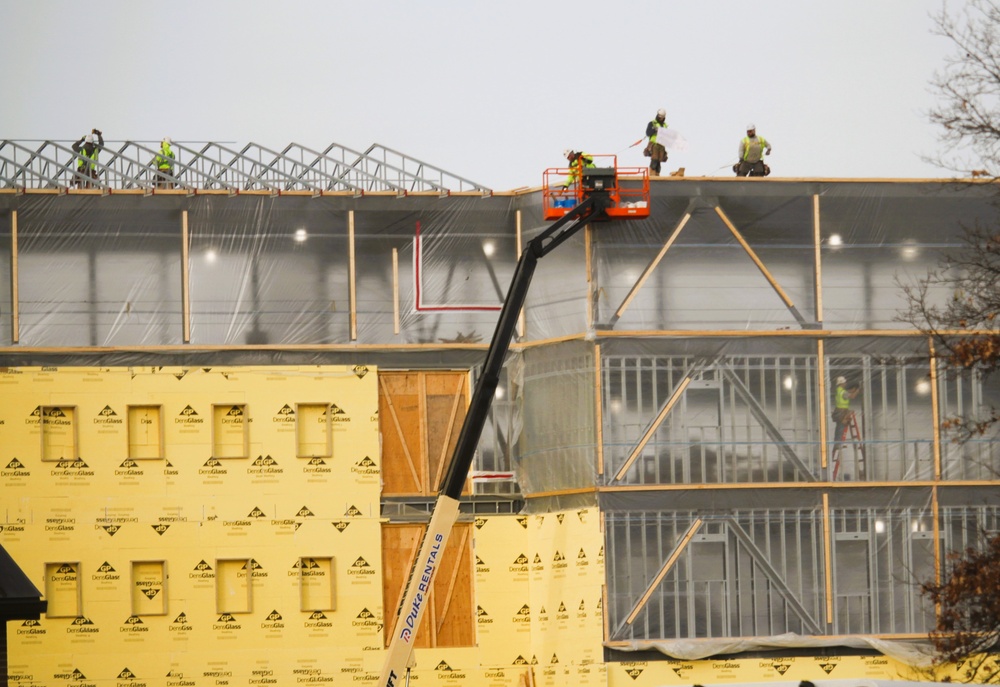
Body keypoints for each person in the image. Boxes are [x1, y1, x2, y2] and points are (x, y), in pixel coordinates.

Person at [832, 375, 860, 453]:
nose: (845, 384)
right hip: (841, 412)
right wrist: (857, 391)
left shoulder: (839, 390)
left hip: (838, 411)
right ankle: (838, 444)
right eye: (844, 382)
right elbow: (852, 396)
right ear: (841, 383)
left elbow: (848, 392)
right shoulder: (843, 392)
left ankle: (837, 443)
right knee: (840, 428)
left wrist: (853, 390)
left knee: (839, 428)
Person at [644, 108, 670, 176]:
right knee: (654, 160)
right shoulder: (652, 123)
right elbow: (648, 133)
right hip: (654, 144)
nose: (660, 118)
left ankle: (657, 175)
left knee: (659, 161)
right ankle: (652, 174)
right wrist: (654, 130)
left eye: (661, 117)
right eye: (659, 116)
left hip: (661, 145)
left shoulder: (664, 125)